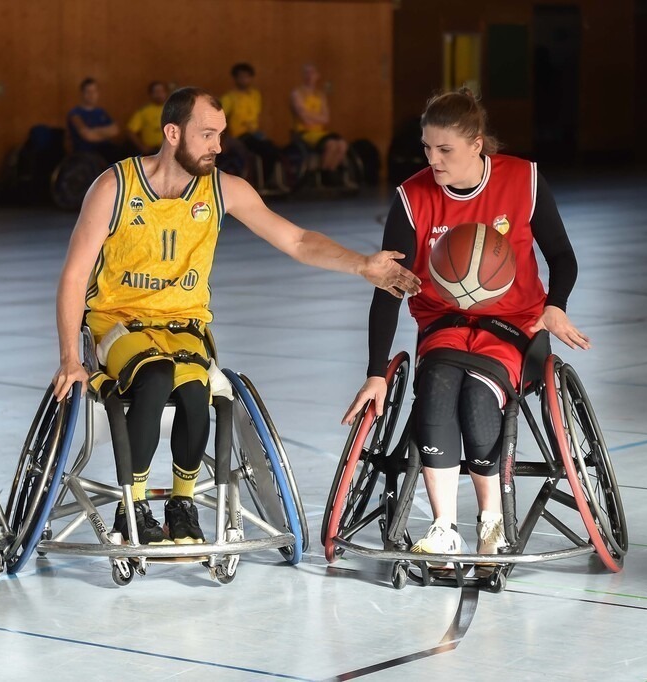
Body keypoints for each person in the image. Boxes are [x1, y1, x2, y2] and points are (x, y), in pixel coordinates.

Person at [54, 87, 421, 545]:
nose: (218, 146)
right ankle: (136, 506)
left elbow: (298, 241)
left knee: (195, 388)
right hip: (117, 323)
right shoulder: (115, 186)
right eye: (207, 134)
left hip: (183, 326)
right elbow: (73, 276)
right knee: (153, 378)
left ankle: (182, 505)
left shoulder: (224, 188)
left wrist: (362, 264)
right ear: (172, 132)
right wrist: (71, 357)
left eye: (220, 135)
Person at [341, 88, 588, 559]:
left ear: (476, 143)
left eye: (445, 150)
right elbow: (387, 287)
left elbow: (562, 257)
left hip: (512, 324)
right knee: (435, 388)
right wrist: (375, 371)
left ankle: (491, 519)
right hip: (444, 323)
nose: (433, 159)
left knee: (477, 397)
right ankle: (444, 525)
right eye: (427, 148)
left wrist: (556, 304)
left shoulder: (523, 179)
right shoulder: (412, 197)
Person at [220, 62, 284, 190]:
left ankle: (270, 181)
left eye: (247, 76)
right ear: (235, 78)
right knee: (266, 151)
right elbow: (221, 118)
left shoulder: (255, 95)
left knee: (275, 149)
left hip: (254, 133)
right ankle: (260, 183)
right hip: (239, 135)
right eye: (241, 76)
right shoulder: (229, 98)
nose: (244, 79)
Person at [290, 64, 350, 184]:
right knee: (331, 144)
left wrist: (309, 115)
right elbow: (303, 117)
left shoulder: (320, 95)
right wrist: (316, 117)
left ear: (317, 76)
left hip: (320, 132)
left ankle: (331, 171)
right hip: (305, 132)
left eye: (312, 73)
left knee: (342, 145)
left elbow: (325, 119)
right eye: (306, 73)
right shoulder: (297, 93)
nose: (309, 76)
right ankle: (324, 174)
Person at [67, 78, 124, 164]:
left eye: (94, 91)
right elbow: (87, 136)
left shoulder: (101, 112)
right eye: (88, 92)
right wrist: (105, 133)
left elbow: (115, 130)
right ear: (82, 93)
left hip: (106, 150)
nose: (91, 95)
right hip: (85, 154)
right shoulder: (75, 113)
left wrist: (94, 131)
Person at [126, 81, 168, 155]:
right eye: (156, 92)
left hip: (169, 150)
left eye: (161, 91)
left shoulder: (173, 108)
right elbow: (130, 131)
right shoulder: (143, 111)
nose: (159, 94)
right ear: (151, 94)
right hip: (152, 152)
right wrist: (142, 147)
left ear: (165, 93)